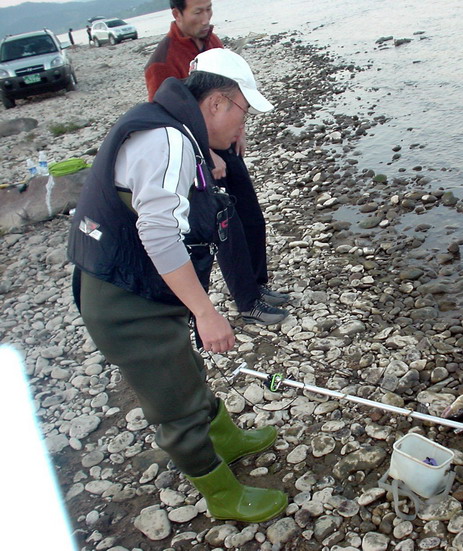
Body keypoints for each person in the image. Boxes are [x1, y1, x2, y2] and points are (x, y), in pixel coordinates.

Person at [67, 48, 288, 523]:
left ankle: (225, 438)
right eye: (243, 115)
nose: (242, 130)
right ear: (217, 104)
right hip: (125, 302)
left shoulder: (170, 126)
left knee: (184, 370)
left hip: (130, 281)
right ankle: (221, 494)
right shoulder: (169, 141)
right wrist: (206, 312)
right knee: (174, 404)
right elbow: (159, 233)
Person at [144, 0, 289, 325]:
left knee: (251, 215)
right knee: (227, 228)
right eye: (198, 12)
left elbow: (234, 92)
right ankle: (247, 301)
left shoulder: (211, 43)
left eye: (209, 9)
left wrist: (240, 127)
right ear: (177, 14)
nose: (206, 18)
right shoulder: (162, 61)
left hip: (224, 140)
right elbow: (168, 118)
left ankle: (259, 284)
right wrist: (204, 155)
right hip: (196, 152)